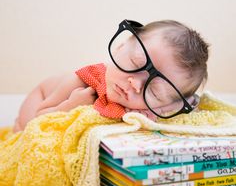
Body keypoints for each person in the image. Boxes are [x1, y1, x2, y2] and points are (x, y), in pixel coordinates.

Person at [13, 19, 209, 132]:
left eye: (154, 91)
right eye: (135, 63)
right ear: (120, 47)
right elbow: (39, 118)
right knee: (24, 133)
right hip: (42, 98)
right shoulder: (83, 81)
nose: (135, 84)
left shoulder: (151, 108)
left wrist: (171, 103)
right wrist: (70, 106)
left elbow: (180, 105)